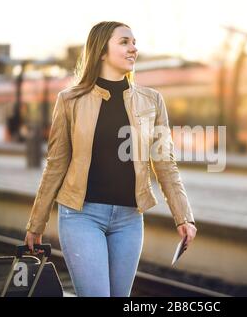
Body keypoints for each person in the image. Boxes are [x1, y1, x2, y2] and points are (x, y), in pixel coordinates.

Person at [24, 21, 197, 297]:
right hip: (82, 216)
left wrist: (183, 217)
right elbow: (56, 165)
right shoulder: (70, 100)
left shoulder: (152, 101)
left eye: (134, 42)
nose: (134, 48)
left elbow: (165, 163)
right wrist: (36, 224)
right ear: (102, 51)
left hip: (129, 220)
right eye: (125, 42)